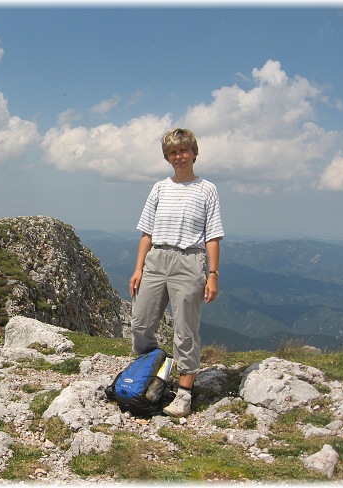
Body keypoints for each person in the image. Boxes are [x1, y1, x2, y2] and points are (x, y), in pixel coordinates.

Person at [129, 128, 224, 418]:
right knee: (140, 324)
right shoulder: (160, 188)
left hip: (189, 260)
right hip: (157, 258)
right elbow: (147, 232)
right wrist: (138, 268)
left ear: (194, 152)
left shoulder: (207, 189)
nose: (178, 156)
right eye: (172, 152)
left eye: (183, 150)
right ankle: (151, 373)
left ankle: (184, 393)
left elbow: (213, 236)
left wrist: (213, 274)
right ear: (167, 157)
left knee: (185, 330)